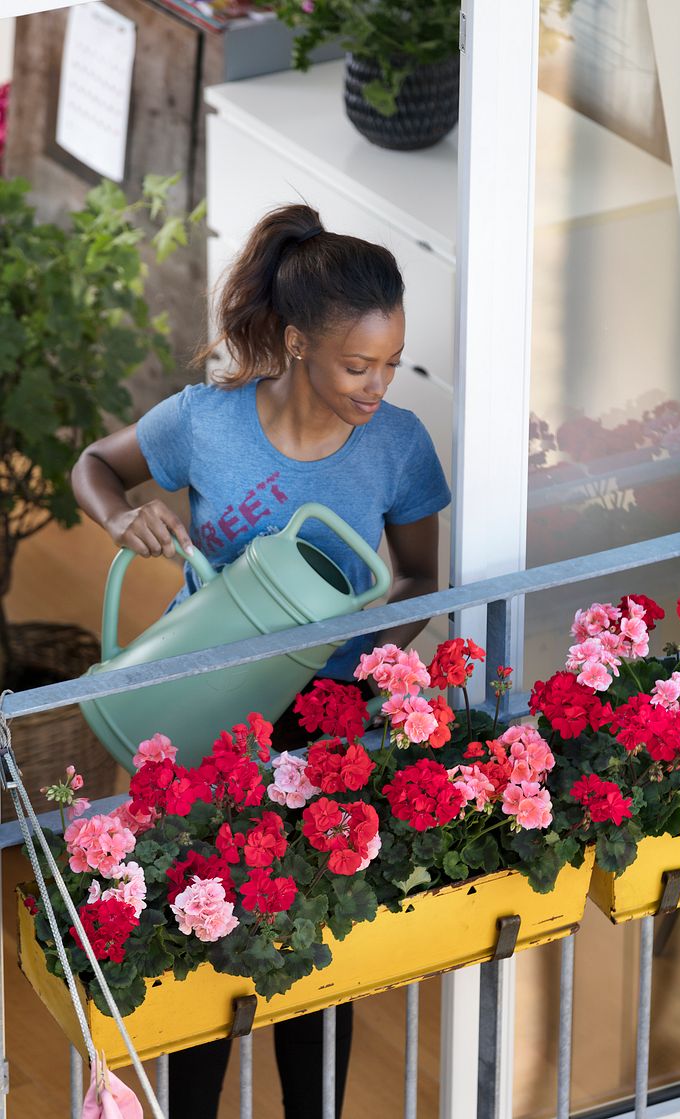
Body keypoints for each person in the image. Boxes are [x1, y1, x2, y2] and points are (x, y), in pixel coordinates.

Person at [71, 202, 451, 1118]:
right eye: (359, 364)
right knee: (200, 944)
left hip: (323, 725)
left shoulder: (396, 446)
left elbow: (422, 582)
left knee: (313, 949)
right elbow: (95, 463)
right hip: (200, 706)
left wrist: (336, 663)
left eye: (392, 363)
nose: (378, 384)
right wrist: (125, 516)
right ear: (294, 342)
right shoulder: (205, 423)